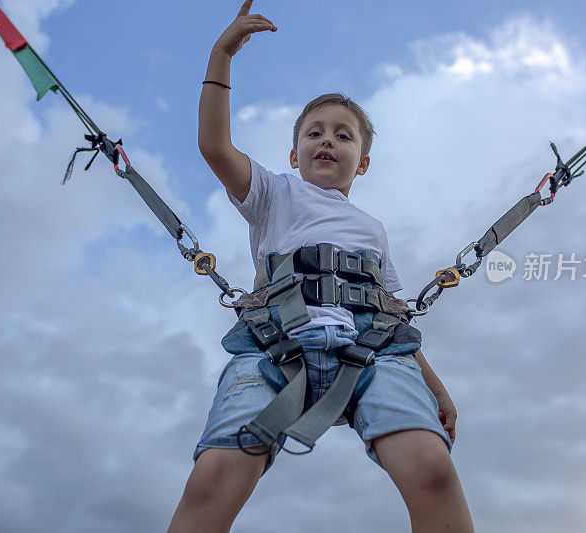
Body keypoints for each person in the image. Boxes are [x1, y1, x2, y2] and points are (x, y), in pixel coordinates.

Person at [168, 2, 474, 531]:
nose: (327, 140)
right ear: (293, 155)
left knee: (433, 469)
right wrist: (221, 58)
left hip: (371, 349)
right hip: (273, 341)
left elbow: (394, 318)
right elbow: (214, 146)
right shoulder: (272, 194)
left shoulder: (373, 231)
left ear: (364, 161)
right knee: (213, 477)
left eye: (343, 134)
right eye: (314, 132)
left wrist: (438, 389)